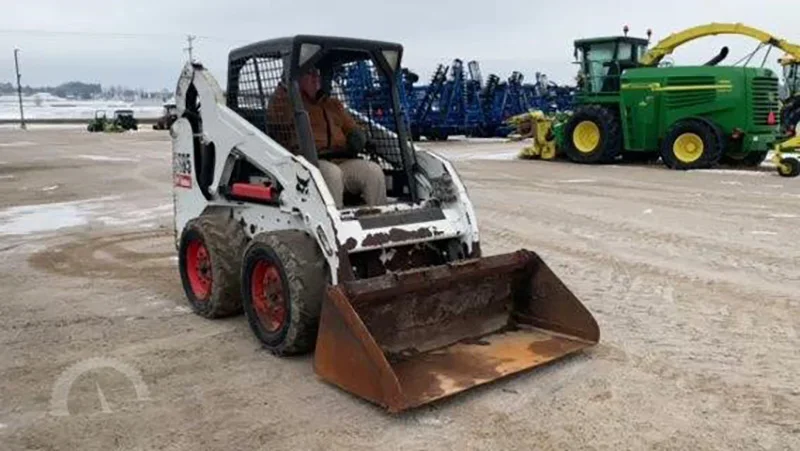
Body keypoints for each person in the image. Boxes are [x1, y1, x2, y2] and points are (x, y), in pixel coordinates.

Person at [266, 65, 388, 209]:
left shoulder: (332, 104)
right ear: (296, 78)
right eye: (310, 74)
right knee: (332, 173)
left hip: (342, 159)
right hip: (309, 163)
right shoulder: (286, 103)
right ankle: (336, 222)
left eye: (317, 74)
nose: (316, 78)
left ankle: (379, 217)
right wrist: (286, 88)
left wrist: (358, 136)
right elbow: (276, 122)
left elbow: (351, 127)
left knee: (372, 170)